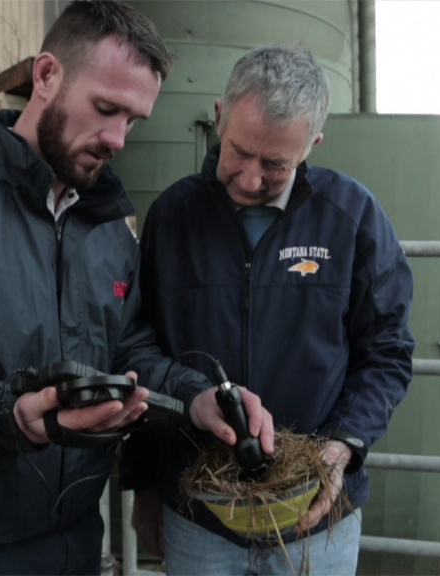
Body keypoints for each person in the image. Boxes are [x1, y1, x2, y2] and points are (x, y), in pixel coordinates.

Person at [0, 2, 273, 575]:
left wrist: (195, 397)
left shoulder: (109, 229)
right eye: (105, 108)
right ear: (46, 76)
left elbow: (129, 350)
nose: (117, 138)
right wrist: (10, 420)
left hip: (76, 538)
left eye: (133, 120)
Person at [121, 45, 415, 575]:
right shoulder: (172, 217)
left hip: (317, 515)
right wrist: (145, 483)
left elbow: (388, 350)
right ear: (218, 116)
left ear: (312, 145)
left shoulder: (353, 217)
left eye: (277, 164)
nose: (251, 179)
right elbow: (139, 346)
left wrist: (345, 445)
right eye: (238, 151)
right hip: (199, 513)